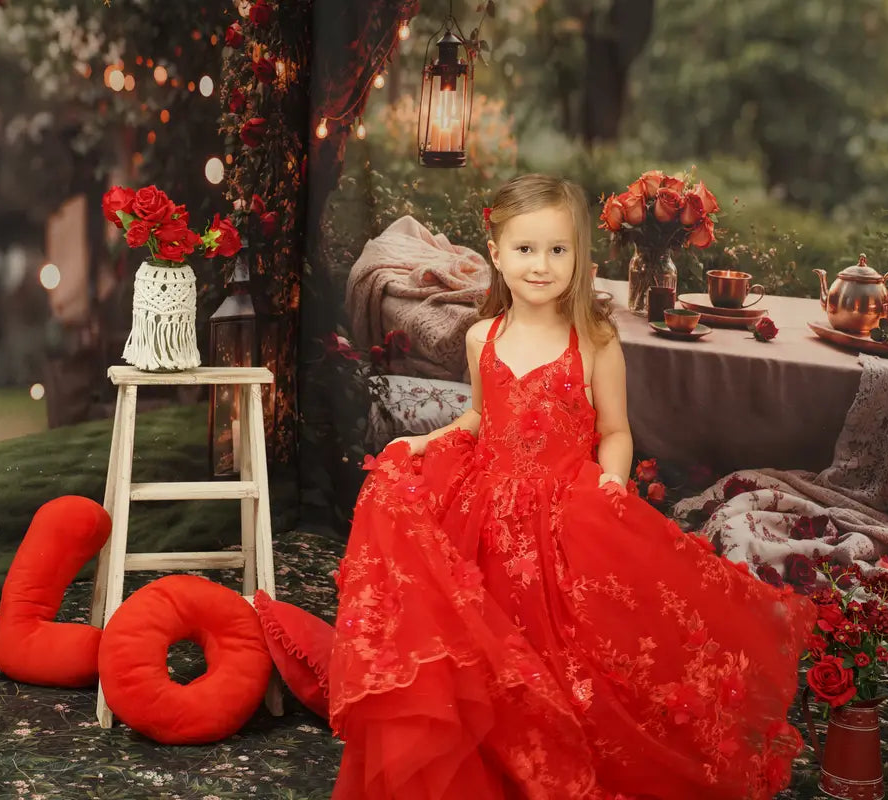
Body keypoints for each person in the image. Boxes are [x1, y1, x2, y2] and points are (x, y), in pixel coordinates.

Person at [329, 174, 815, 800]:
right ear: (496, 253)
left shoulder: (594, 341)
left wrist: (612, 481)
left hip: (564, 513)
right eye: (525, 249)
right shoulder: (483, 338)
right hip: (487, 510)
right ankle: (502, 758)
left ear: (579, 257)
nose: (541, 265)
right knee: (489, 645)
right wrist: (425, 442)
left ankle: (570, 756)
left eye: (558, 250)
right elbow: (480, 417)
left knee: (576, 653)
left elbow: (615, 431)